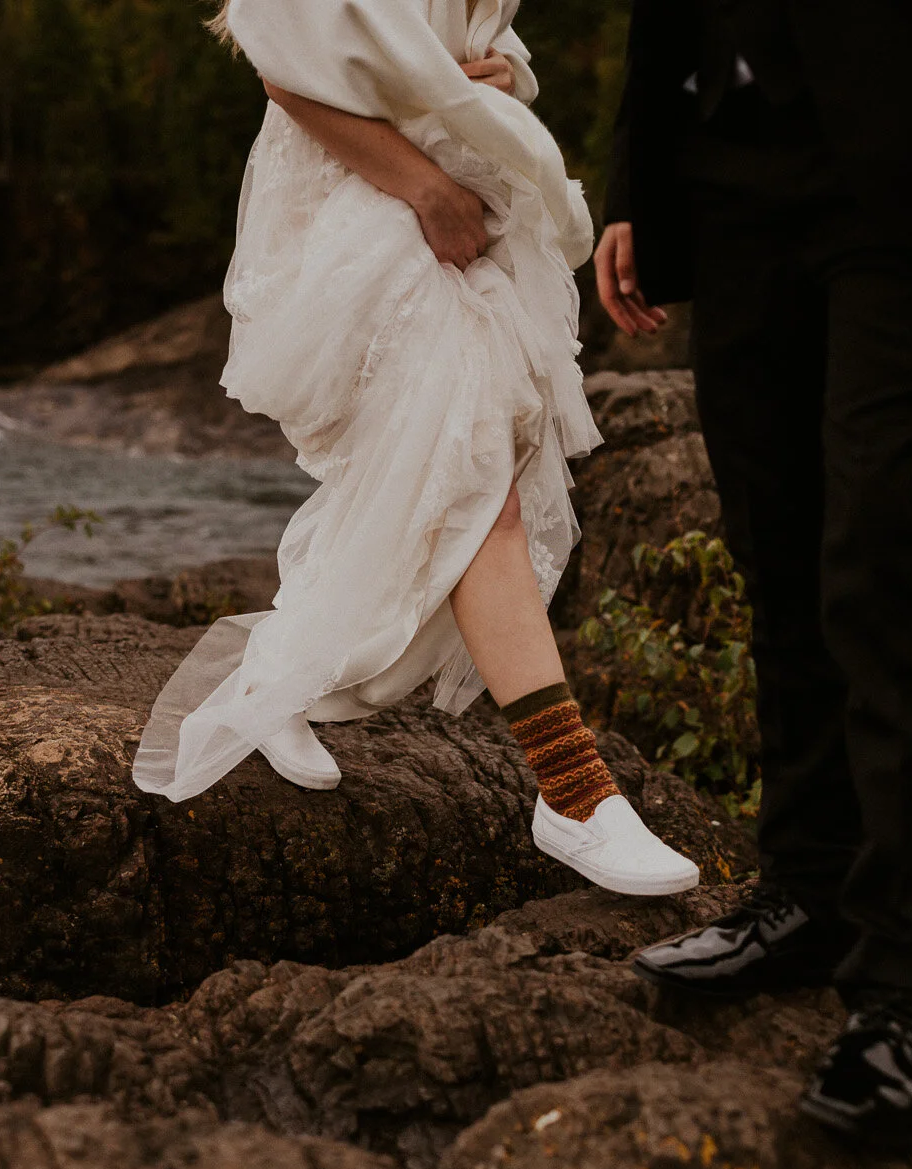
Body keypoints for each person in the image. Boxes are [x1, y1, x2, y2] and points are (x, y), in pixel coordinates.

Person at [598, 0, 912, 1153]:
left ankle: (910, 979)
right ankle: (811, 890)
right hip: (728, 159)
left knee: (891, 545)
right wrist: (638, 179)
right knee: (773, 537)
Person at [132, 0, 702, 897]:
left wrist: (505, 76)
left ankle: (275, 678)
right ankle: (576, 792)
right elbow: (285, 62)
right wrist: (425, 188)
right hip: (364, 200)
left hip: (460, 187)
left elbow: (478, 37)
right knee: (473, 473)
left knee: (448, 468)